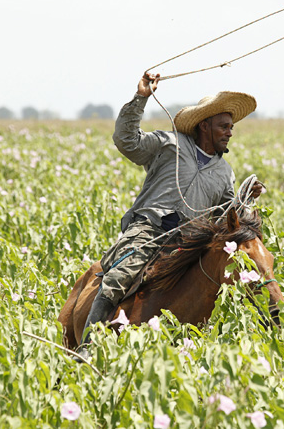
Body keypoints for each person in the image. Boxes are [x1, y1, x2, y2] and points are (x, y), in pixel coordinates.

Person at [78, 72, 262, 358]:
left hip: (189, 244)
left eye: (231, 128)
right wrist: (141, 98)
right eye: (224, 126)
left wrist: (244, 200)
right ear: (205, 125)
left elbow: (225, 220)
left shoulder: (225, 173)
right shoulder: (168, 144)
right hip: (148, 231)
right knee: (117, 279)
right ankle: (86, 350)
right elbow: (126, 140)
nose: (229, 132)